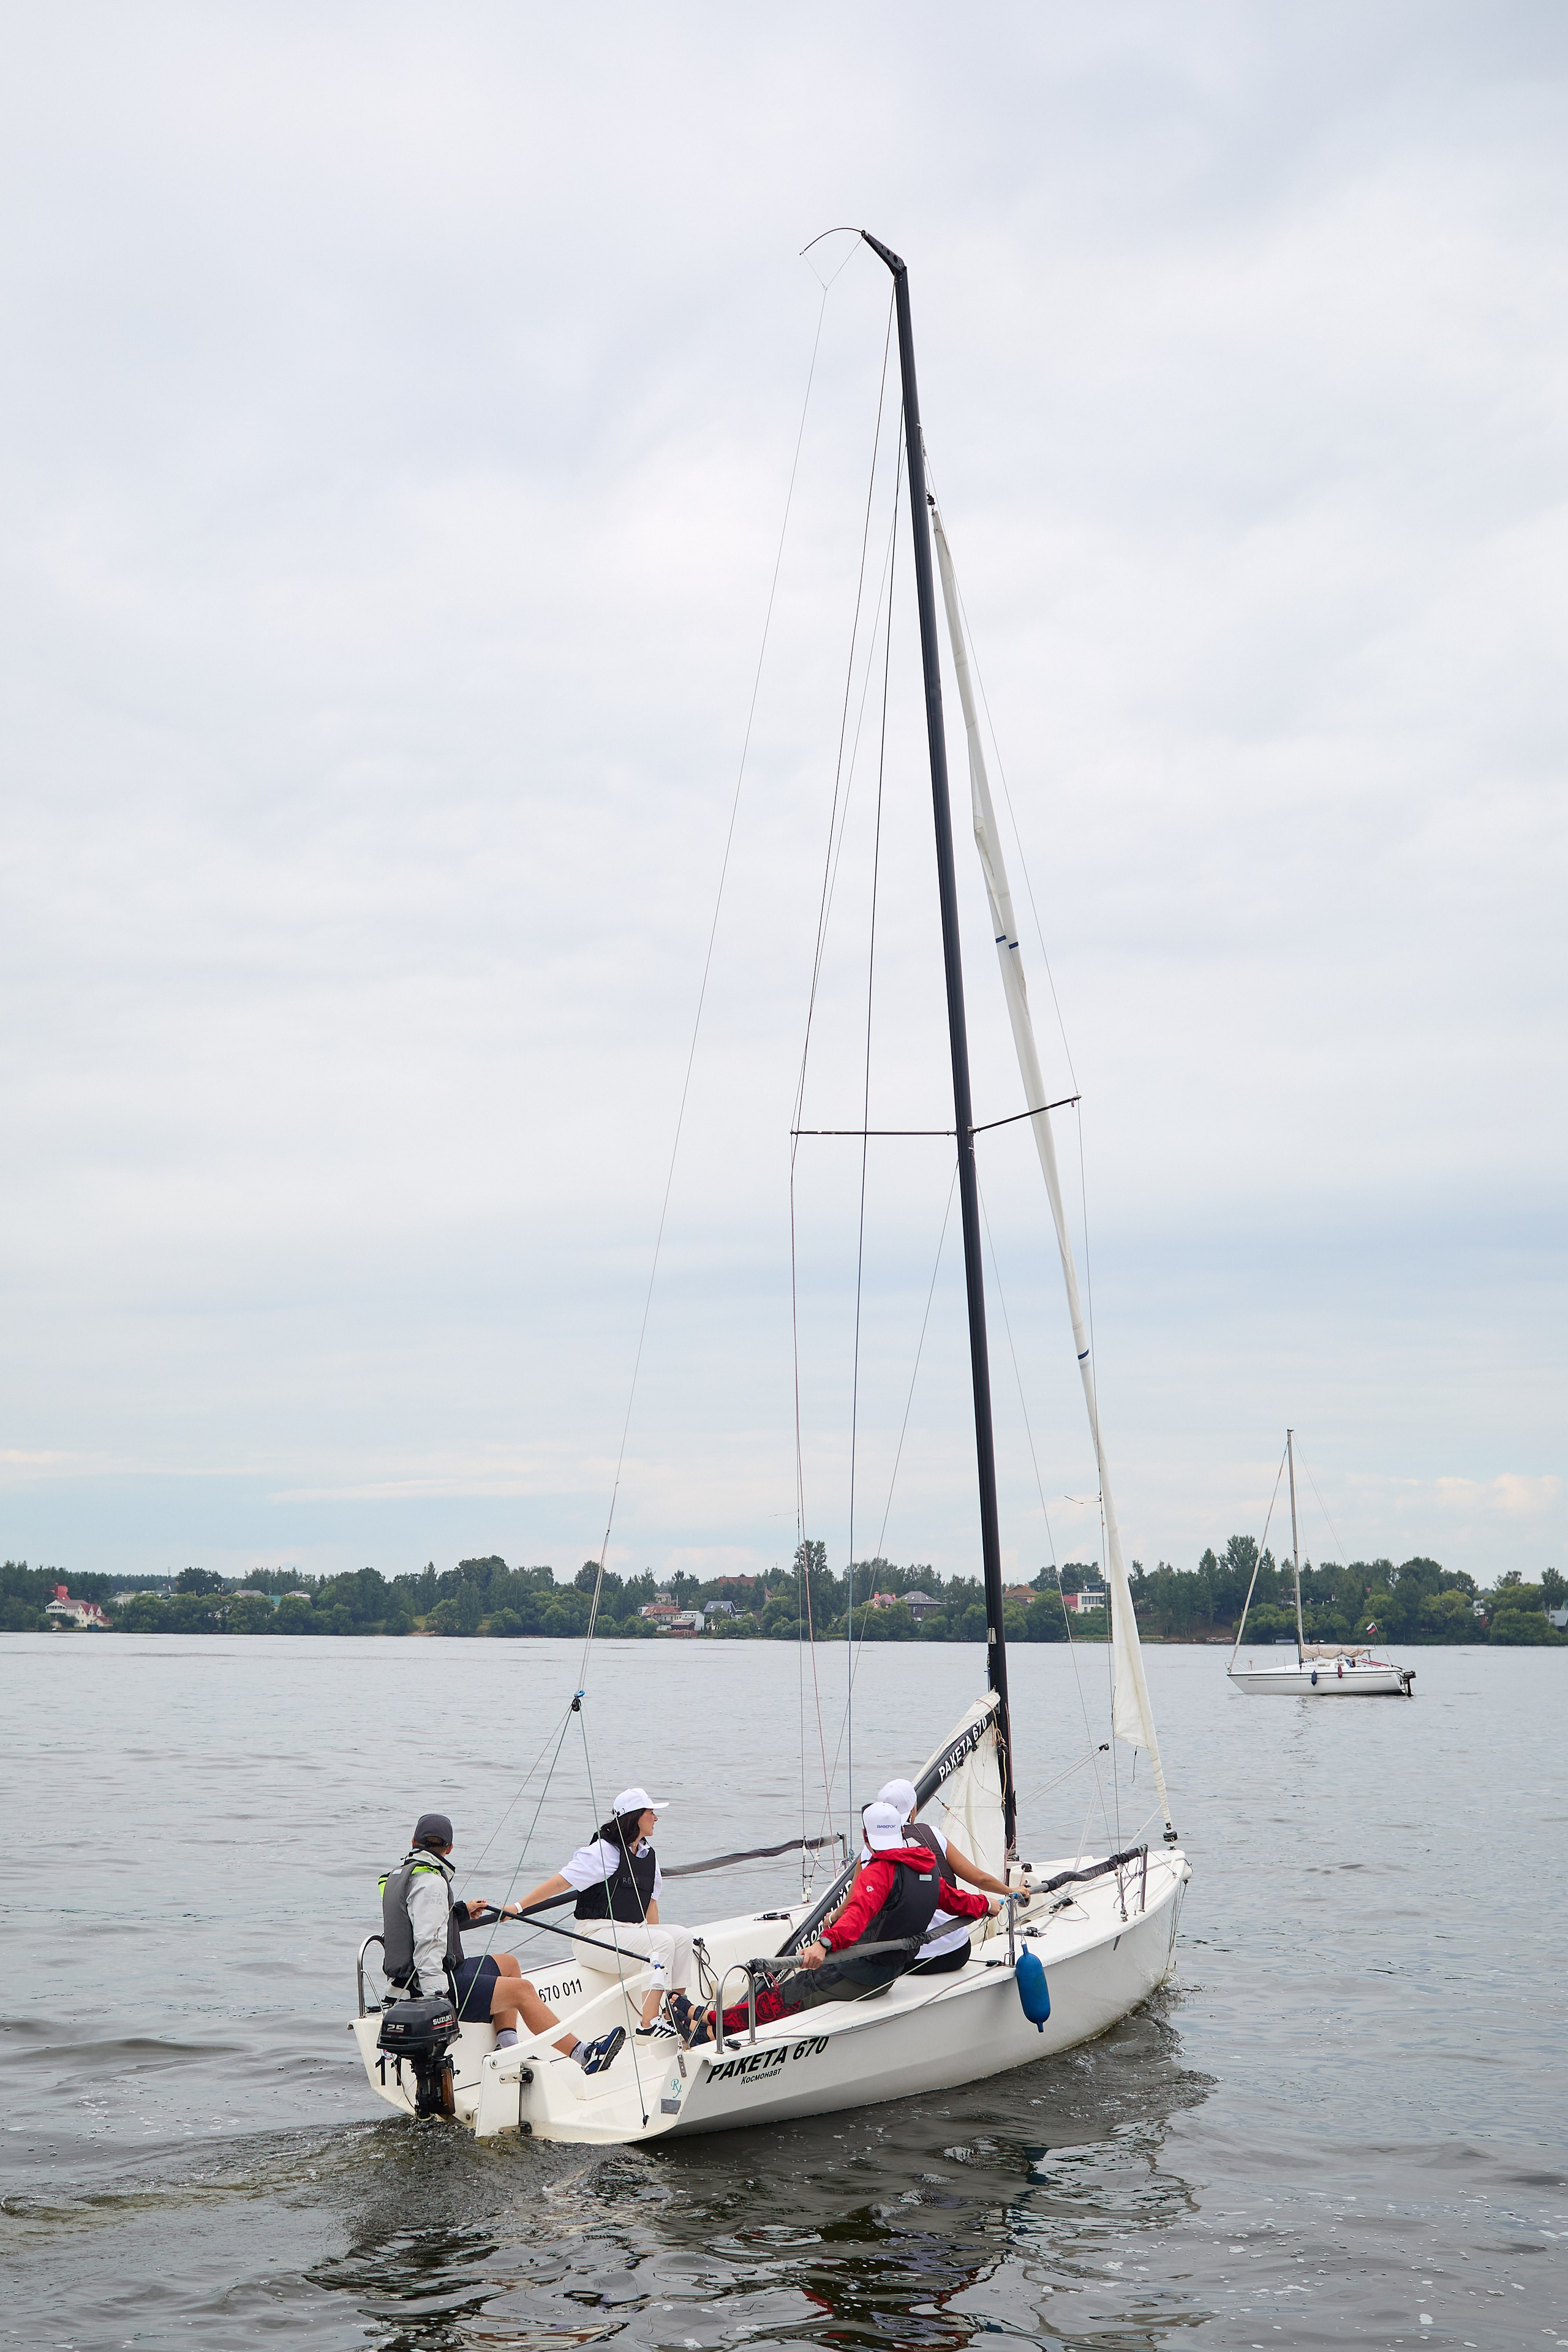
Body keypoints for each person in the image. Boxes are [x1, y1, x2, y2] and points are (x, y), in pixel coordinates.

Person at [690, 1800, 995, 2043]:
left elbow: (857, 1915)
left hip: (857, 1974)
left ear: (866, 1836)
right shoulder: (925, 1868)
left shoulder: (879, 1871)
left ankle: (707, 2025)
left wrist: (824, 1943)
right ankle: (708, 2021)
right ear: (902, 1831)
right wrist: (988, 1904)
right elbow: (957, 1900)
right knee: (787, 1991)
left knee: (781, 1999)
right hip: (887, 1976)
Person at [380, 1811, 624, 2075]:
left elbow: (416, 1922)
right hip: (426, 1988)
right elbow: (427, 1946)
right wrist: (437, 2000)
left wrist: (459, 1912)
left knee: (508, 1964)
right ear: (450, 1848)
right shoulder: (431, 1883)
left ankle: (507, 2046)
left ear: (414, 1841)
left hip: (410, 1981)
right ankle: (585, 2055)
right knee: (522, 1991)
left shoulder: (403, 1875)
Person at [513, 1787, 695, 2038]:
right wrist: (518, 1908)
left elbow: (651, 1904)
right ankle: (648, 2025)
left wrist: (652, 1958)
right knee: (661, 1943)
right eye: (651, 1812)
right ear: (636, 1816)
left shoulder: (647, 1855)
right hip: (594, 1937)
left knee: (682, 1937)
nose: (656, 1818)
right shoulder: (602, 1852)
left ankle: (674, 2013)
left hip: (630, 1933)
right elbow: (560, 1882)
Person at [870, 1776, 1016, 1975]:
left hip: (906, 1959)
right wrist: (1010, 1890)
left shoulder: (873, 1849)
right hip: (956, 1951)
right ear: (913, 1809)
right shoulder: (933, 1834)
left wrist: (831, 1920)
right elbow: (980, 1879)